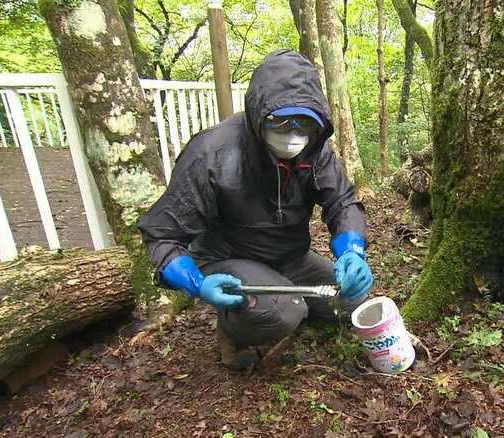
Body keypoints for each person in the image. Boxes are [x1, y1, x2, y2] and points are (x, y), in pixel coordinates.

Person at [137, 49, 373, 371]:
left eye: (303, 124)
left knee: (352, 301)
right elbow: (163, 235)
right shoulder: (211, 154)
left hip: (290, 257)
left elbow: (342, 202)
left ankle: (279, 301)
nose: (293, 134)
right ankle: (233, 329)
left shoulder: (314, 149)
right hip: (229, 257)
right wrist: (195, 282)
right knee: (286, 312)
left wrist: (352, 252)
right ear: (258, 113)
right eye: (281, 122)